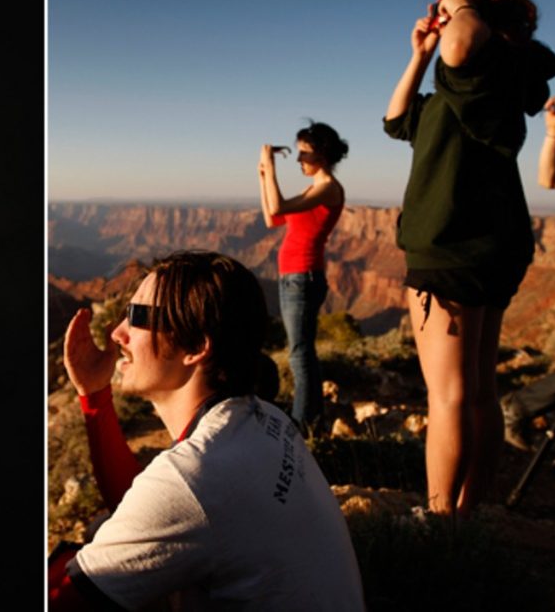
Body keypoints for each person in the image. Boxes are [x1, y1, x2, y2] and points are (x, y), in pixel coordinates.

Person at [48, 251, 364, 611]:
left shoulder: (199, 474)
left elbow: (64, 602)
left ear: (196, 347)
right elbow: (146, 512)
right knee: (102, 530)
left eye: (137, 318)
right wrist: (95, 395)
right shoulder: (262, 419)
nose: (117, 333)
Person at [383, 0, 555, 517]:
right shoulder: (469, 81)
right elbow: (395, 120)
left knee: (450, 396)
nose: (439, 13)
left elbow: (461, 44)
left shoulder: (488, 68)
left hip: (450, 246)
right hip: (490, 247)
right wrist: (420, 53)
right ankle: (469, 511)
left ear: (478, 4)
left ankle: (441, 524)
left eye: (448, 2)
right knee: (478, 392)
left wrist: (456, 3)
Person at [257, 122, 348, 435]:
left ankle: (305, 423)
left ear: (322, 154)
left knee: (300, 353)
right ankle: (310, 417)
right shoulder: (312, 190)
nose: (299, 160)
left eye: (304, 154)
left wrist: (271, 165)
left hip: (303, 278)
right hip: (292, 277)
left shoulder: (328, 189)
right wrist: (263, 174)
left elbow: (279, 205)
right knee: (300, 350)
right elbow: (272, 217)